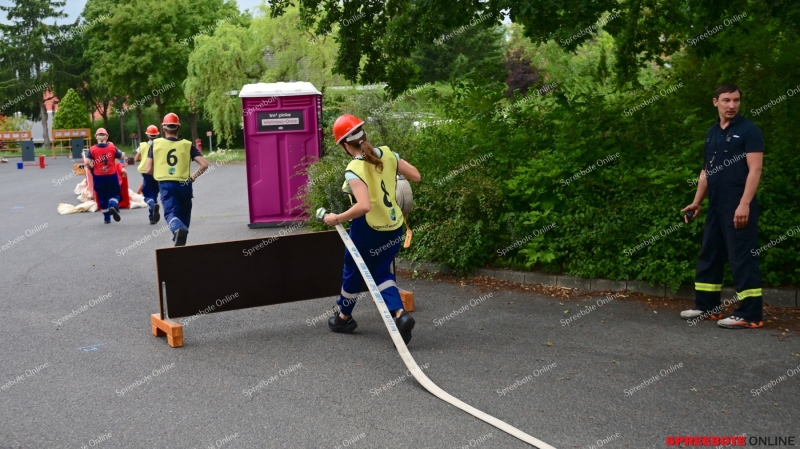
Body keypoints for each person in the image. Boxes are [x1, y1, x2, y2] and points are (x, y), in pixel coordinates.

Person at [323, 114, 422, 344]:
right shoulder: (388, 154)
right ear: (364, 135)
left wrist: (337, 217)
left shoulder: (354, 168)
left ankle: (344, 317)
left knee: (352, 268)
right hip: (394, 226)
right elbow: (416, 176)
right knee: (381, 272)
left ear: (345, 145)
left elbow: (364, 205)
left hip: (368, 230)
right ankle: (400, 314)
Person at [681, 84, 765, 329]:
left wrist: (744, 204)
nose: (732, 105)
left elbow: (755, 169)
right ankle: (708, 307)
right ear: (715, 102)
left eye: (736, 100)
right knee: (710, 253)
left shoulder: (749, 131)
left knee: (742, 257)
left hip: (738, 204)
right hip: (716, 204)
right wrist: (697, 201)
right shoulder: (712, 133)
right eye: (726, 100)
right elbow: (706, 171)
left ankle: (750, 314)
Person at [145, 113, 208, 246]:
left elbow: (148, 169)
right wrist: (193, 177)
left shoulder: (156, 145)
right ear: (178, 128)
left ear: (163, 129)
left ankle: (177, 230)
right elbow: (204, 165)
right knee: (184, 214)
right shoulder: (187, 145)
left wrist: (160, 173)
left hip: (166, 184)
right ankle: (179, 238)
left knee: (170, 212)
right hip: (185, 184)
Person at [84, 128, 124, 224]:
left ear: (96, 137)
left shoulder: (92, 149)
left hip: (98, 176)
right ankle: (113, 204)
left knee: (102, 196)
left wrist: (90, 169)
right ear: (107, 136)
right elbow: (122, 157)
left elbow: (86, 162)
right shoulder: (112, 148)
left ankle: (107, 218)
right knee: (115, 193)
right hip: (111, 175)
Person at [134, 125, 161, 224]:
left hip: (146, 172)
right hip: (157, 172)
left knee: (146, 193)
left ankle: (153, 207)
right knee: (154, 193)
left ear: (147, 135)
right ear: (157, 135)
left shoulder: (142, 145)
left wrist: (143, 158)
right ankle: (152, 217)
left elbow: (136, 158)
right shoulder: (160, 145)